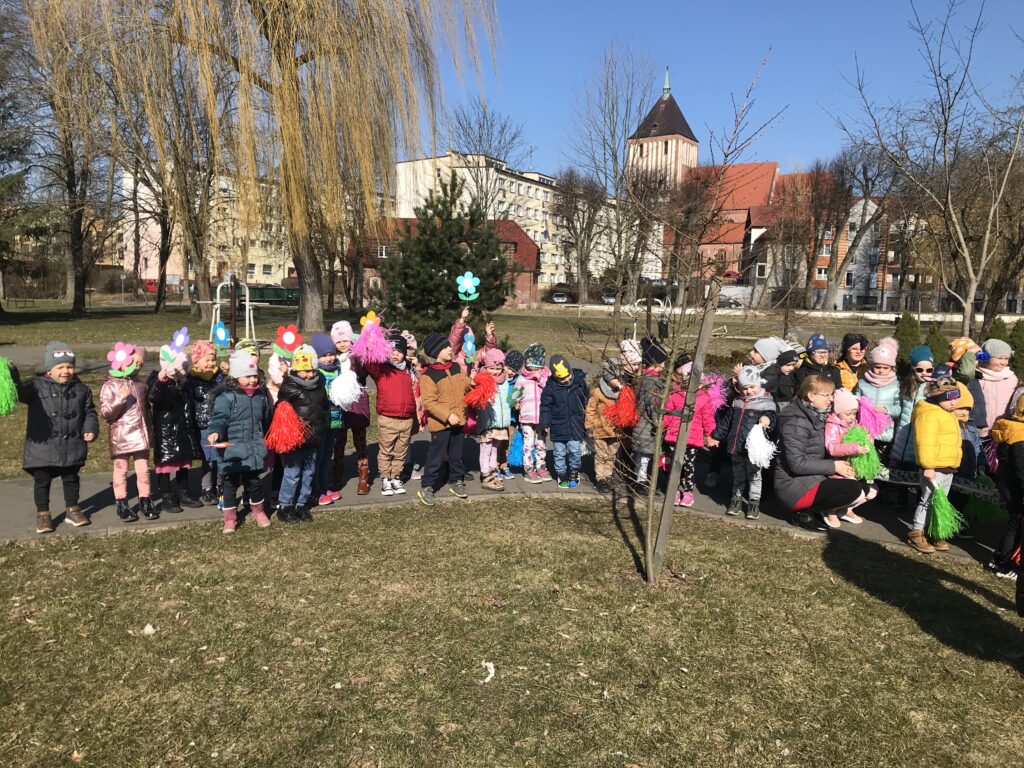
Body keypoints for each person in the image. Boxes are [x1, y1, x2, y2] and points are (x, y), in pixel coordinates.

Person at [11, 341, 99, 534]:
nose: (65, 371)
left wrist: (90, 427)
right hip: (43, 447)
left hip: (72, 445)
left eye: (69, 366)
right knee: (42, 481)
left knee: (71, 478)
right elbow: (18, 394)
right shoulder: (35, 387)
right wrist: (13, 377)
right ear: (49, 370)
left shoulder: (82, 389)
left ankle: (73, 509)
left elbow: (89, 412)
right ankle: (43, 515)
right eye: (60, 367)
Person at [775, 375, 863, 532]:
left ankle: (819, 511)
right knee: (852, 489)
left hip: (812, 476)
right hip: (793, 485)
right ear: (811, 396)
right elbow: (796, 464)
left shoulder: (819, 416)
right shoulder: (796, 422)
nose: (831, 399)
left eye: (832, 394)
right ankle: (804, 514)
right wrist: (834, 466)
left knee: (862, 486)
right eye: (826, 395)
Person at [206, 350, 273, 533]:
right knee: (229, 485)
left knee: (254, 482)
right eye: (247, 376)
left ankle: (258, 511)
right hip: (233, 451)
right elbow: (219, 418)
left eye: (254, 375)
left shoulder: (260, 396)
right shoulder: (227, 397)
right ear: (236, 377)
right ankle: (230, 518)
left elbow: (265, 419)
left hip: (253, 448)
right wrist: (215, 432)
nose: (253, 380)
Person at [99, 343, 157, 523]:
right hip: (122, 436)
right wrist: (120, 398)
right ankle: (121, 502)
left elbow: (147, 410)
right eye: (135, 362)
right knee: (120, 470)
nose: (138, 366)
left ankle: (145, 500)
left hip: (141, 436)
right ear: (121, 361)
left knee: (143, 471)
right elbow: (106, 413)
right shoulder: (110, 386)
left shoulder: (141, 385)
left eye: (141, 363)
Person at [711, 364, 777, 519]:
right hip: (736, 446)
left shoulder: (766, 402)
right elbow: (727, 422)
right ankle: (736, 500)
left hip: (753, 450)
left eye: (752, 387)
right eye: (745, 388)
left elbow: (773, 418)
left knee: (755, 476)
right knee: (738, 475)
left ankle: (754, 502)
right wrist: (716, 436)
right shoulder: (737, 403)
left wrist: (767, 419)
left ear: (759, 384)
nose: (748, 391)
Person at [908, 376, 965, 554]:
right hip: (934, 467)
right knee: (928, 499)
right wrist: (928, 466)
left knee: (940, 501)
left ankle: (933, 531)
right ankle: (917, 532)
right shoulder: (930, 414)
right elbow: (925, 442)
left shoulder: (947, 414)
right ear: (938, 398)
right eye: (950, 399)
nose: (954, 403)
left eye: (956, 398)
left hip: (947, 466)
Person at [417, 332, 474, 506]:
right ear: (436, 352)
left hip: (459, 420)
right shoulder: (428, 375)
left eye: (449, 346)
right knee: (436, 454)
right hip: (441, 424)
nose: (450, 349)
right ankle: (427, 485)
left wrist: (471, 384)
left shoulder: (456, 367)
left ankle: (456, 480)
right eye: (446, 347)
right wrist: (447, 415)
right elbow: (429, 402)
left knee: (456, 454)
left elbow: (464, 384)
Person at [276, 345, 329, 523]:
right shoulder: (289, 387)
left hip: (313, 438)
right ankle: (285, 506)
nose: (311, 374)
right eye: (306, 371)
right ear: (296, 369)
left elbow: (323, 408)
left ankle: (301, 504)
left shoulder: (319, 385)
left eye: (314, 370)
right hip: (295, 439)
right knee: (292, 473)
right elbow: (280, 411)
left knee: (308, 473)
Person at [148, 342, 201, 514]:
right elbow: (153, 397)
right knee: (165, 464)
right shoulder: (157, 379)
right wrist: (161, 380)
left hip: (183, 428)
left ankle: (183, 492)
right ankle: (166, 496)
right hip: (166, 430)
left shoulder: (184, 382)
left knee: (183, 463)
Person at [364, 332, 417, 496]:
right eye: (392, 351)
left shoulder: (409, 370)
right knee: (386, 451)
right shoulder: (382, 370)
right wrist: (371, 343)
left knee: (401, 452)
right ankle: (385, 478)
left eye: (399, 351)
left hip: (406, 418)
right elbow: (369, 361)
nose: (395, 354)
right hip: (388, 417)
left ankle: (396, 476)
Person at [663, 362, 720, 507]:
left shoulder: (704, 398)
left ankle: (688, 492)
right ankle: (674, 491)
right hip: (674, 437)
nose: (697, 386)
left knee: (688, 465)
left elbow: (708, 418)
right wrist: (661, 425)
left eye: (700, 383)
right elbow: (668, 413)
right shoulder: (675, 395)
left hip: (692, 439)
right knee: (674, 465)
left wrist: (711, 436)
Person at [822, 387, 873, 528]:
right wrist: (854, 447)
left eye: (854, 413)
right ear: (838, 412)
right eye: (848, 414)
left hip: (854, 466)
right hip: (839, 468)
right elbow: (832, 447)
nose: (852, 417)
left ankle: (845, 510)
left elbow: (865, 438)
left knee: (873, 490)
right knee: (859, 494)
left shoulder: (854, 424)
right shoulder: (833, 425)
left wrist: (868, 440)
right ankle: (830, 510)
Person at [330, 321, 371, 495]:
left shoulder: (357, 356)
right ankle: (337, 475)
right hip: (339, 404)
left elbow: (363, 373)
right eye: (338, 342)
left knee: (360, 440)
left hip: (357, 403)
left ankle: (364, 478)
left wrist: (362, 355)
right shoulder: (332, 358)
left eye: (345, 340)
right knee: (339, 442)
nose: (342, 344)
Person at [184, 340, 225, 505]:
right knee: (207, 459)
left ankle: (221, 485)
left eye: (213, 359)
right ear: (196, 361)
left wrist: (225, 374)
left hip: (219, 423)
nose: (211, 363)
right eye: (206, 360)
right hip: (202, 426)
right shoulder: (191, 380)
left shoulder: (218, 376)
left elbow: (227, 389)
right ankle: (207, 488)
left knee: (221, 456)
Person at [539, 353, 588, 488]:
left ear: (571, 371)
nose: (566, 380)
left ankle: (574, 471)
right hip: (558, 425)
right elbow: (545, 407)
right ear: (555, 377)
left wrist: (586, 419)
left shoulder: (579, 383)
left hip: (575, 424)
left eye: (568, 376)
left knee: (575, 450)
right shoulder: (550, 388)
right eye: (562, 379)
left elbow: (585, 401)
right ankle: (561, 474)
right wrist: (544, 424)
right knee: (559, 452)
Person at [989, 393, 1024, 578]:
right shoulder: (1020, 435)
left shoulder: (1012, 426)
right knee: (1016, 524)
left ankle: (1000, 558)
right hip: (1017, 487)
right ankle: (1006, 563)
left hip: (1009, 483)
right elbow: (1021, 468)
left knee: (1014, 523)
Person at [632, 339, 669, 489]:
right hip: (647, 425)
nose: (665, 365)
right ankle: (640, 482)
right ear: (656, 363)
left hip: (643, 423)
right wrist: (658, 421)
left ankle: (640, 479)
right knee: (645, 456)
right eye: (663, 362)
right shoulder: (653, 382)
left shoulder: (646, 379)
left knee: (643, 455)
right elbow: (652, 404)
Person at [855, 337, 902, 457]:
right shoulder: (863, 383)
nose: (881, 370)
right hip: (865, 432)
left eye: (885, 367)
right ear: (872, 365)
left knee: (882, 467)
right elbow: (854, 402)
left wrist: (886, 409)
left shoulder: (896, 385)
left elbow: (899, 408)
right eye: (877, 367)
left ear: (892, 368)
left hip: (885, 434)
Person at [976, 338, 1018, 471]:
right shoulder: (979, 376)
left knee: (1000, 463)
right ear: (987, 357)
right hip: (982, 430)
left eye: (1006, 358)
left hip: (1002, 429)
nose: (1004, 362)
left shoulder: (1011, 378)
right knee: (981, 461)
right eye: (1000, 358)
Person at [311, 332, 342, 505]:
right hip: (321, 420)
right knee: (319, 456)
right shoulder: (316, 373)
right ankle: (316, 489)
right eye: (324, 355)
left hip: (335, 419)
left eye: (331, 354)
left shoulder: (339, 369)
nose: (329, 358)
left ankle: (324, 486)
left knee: (327, 455)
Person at [474, 348, 512, 492]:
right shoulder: (483, 379)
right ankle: (485, 474)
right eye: (492, 368)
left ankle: (492, 470)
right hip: (488, 421)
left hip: (501, 422)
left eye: (498, 368)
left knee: (495, 447)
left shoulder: (505, 380)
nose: (495, 372)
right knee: (486, 448)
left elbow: (507, 398)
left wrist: (514, 400)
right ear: (486, 367)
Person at [585, 361, 624, 493]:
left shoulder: (622, 393)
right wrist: (589, 427)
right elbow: (590, 410)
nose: (618, 381)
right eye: (615, 378)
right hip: (600, 430)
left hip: (615, 431)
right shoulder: (597, 392)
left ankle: (607, 476)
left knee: (611, 455)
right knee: (601, 455)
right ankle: (600, 479)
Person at [517, 343, 551, 483]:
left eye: (538, 367)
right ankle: (528, 469)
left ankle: (541, 467)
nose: (534, 370)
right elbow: (514, 396)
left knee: (541, 443)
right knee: (528, 443)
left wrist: (540, 379)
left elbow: (549, 392)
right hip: (526, 417)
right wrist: (515, 402)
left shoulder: (546, 377)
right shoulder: (522, 379)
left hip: (542, 418)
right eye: (532, 366)